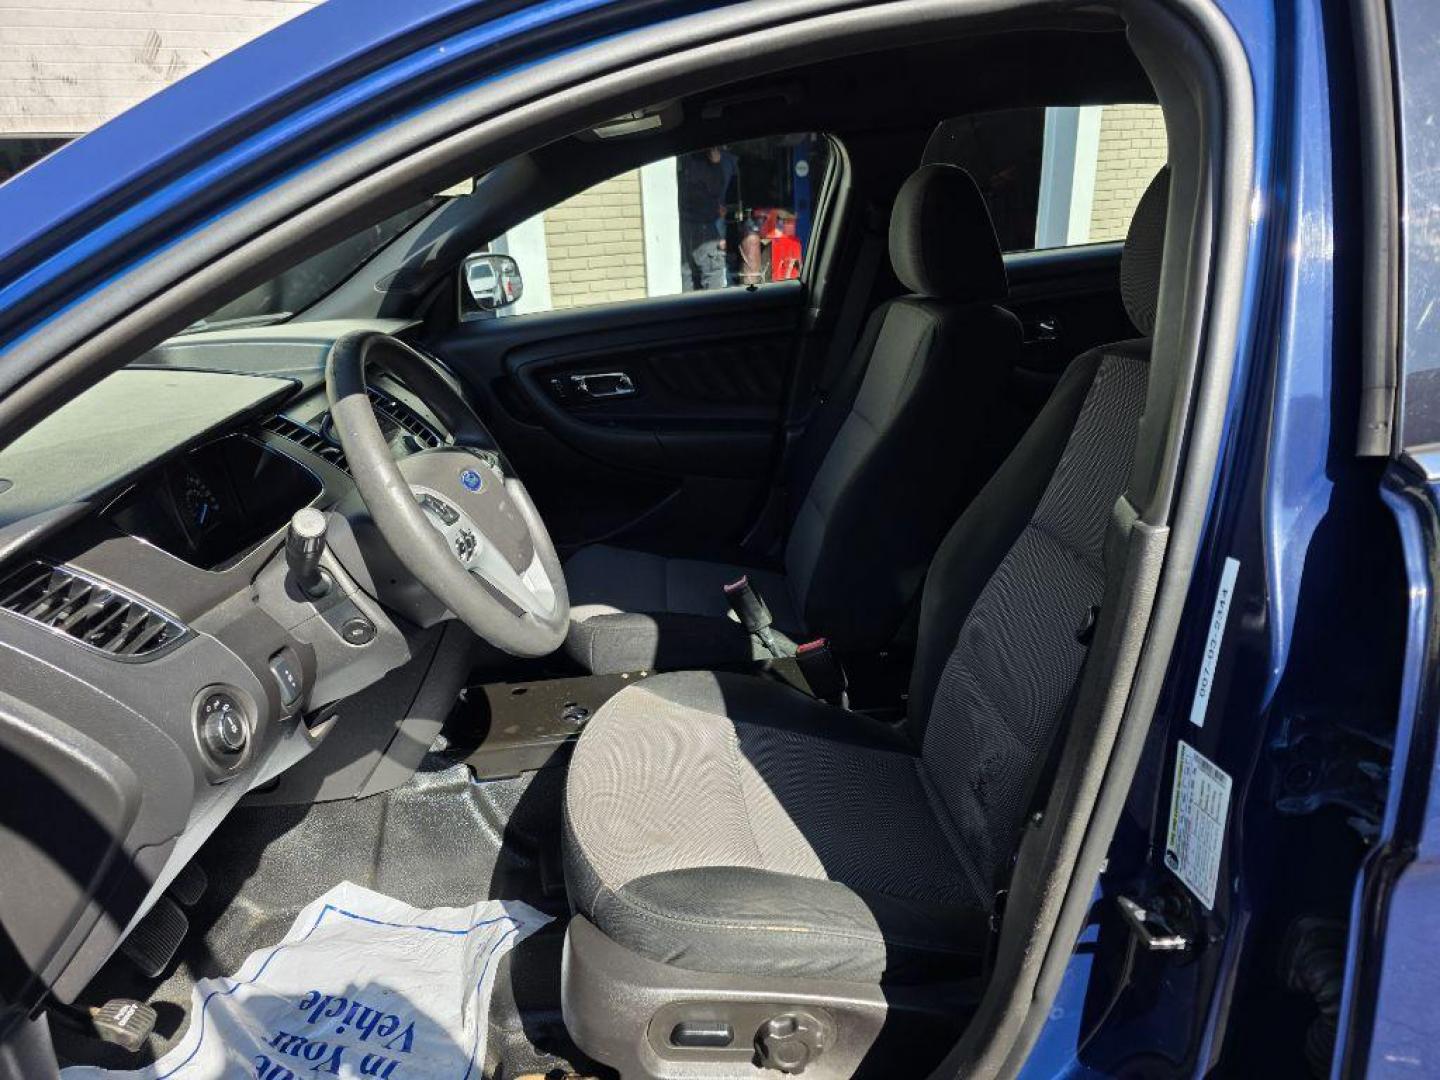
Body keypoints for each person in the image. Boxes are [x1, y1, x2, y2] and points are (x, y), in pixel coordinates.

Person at [678, 146, 736, 290]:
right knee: (713, 274)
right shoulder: (710, 165)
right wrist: (716, 163)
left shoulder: (685, 161)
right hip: (703, 225)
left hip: (685, 225)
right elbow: (715, 189)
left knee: (687, 273)